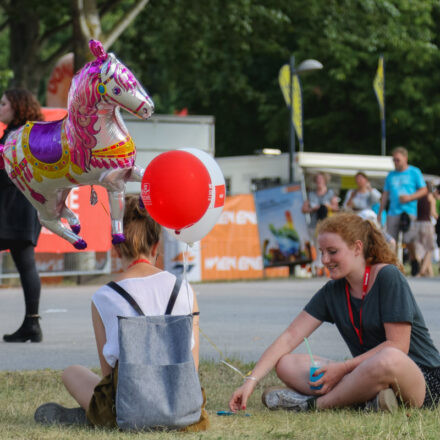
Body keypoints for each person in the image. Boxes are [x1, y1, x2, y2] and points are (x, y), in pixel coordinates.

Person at [229, 212, 440, 414]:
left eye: (332, 251)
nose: (324, 260)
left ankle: (313, 405)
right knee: (286, 364)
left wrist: (343, 368)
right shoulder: (334, 290)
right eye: (321, 252)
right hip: (366, 372)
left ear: (357, 248)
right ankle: (369, 399)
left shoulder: (388, 276)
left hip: (421, 379)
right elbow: (290, 337)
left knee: (388, 358)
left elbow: (398, 346)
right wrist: (251, 381)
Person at [34, 195, 208, 430]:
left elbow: (109, 377)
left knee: (71, 373)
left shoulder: (104, 296)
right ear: (157, 246)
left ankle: (90, 415)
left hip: (128, 412)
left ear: (116, 248)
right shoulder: (184, 289)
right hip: (182, 408)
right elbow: (192, 367)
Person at [0, 88, 43, 342]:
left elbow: (13, 172)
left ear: (17, 106)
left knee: (26, 263)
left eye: (4, 103)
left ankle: (33, 325)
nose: (0, 107)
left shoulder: (23, 135)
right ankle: (32, 325)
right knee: (26, 263)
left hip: (16, 208)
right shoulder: (18, 133)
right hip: (21, 208)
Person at [377, 147, 427, 276]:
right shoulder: (391, 175)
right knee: (390, 240)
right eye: (393, 160)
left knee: (408, 239)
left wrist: (410, 197)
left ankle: (414, 259)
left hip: (409, 210)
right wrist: (380, 211)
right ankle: (392, 267)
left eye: (398, 159)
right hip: (393, 211)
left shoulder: (414, 172)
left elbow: (424, 190)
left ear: (405, 158)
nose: (395, 162)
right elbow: (386, 194)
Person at [302, 172, 339, 276]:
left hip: (327, 225)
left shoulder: (331, 193)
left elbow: (336, 207)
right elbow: (304, 209)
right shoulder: (311, 194)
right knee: (318, 247)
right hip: (314, 224)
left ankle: (321, 266)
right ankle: (319, 267)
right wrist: (313, 209)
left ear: (325, 180)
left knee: (325, 247)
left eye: (321, 179)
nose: (319, 181)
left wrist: (327, 207)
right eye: (317, 179)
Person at [414, 182, 438, 277]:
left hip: (417, 223)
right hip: (427, 224)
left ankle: (428, 271)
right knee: (429, 248)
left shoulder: (417, 198)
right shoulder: (430, 197)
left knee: (420, 248)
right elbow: (433, 213)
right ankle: (422, 270)